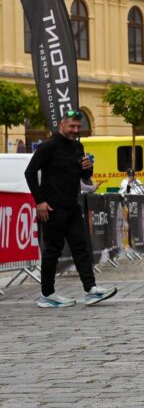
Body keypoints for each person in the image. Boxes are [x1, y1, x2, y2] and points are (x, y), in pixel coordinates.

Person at [23, 109, 117, 308]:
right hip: (52, 208)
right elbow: (29, 172)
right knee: (52, 251)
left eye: (78, 127)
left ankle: (91, 290)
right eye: (71, 126)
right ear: (62, 125)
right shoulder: (48, 146)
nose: (75, 130)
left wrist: (88, 168)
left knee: (81, 248)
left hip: (72, 206)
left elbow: (84, 176)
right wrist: (39, 202)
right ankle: (47, 294)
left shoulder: (78, 146)